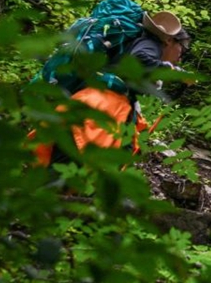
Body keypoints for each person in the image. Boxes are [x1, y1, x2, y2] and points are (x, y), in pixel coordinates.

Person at [34, 10, 191, 167]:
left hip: (86, 102)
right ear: (170, 41)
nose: (180, 57)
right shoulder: (150, 44)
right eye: (183, 49)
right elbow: (140, 60)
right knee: (68, 170)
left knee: (63, 167)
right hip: (101, 108)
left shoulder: (130, 46)